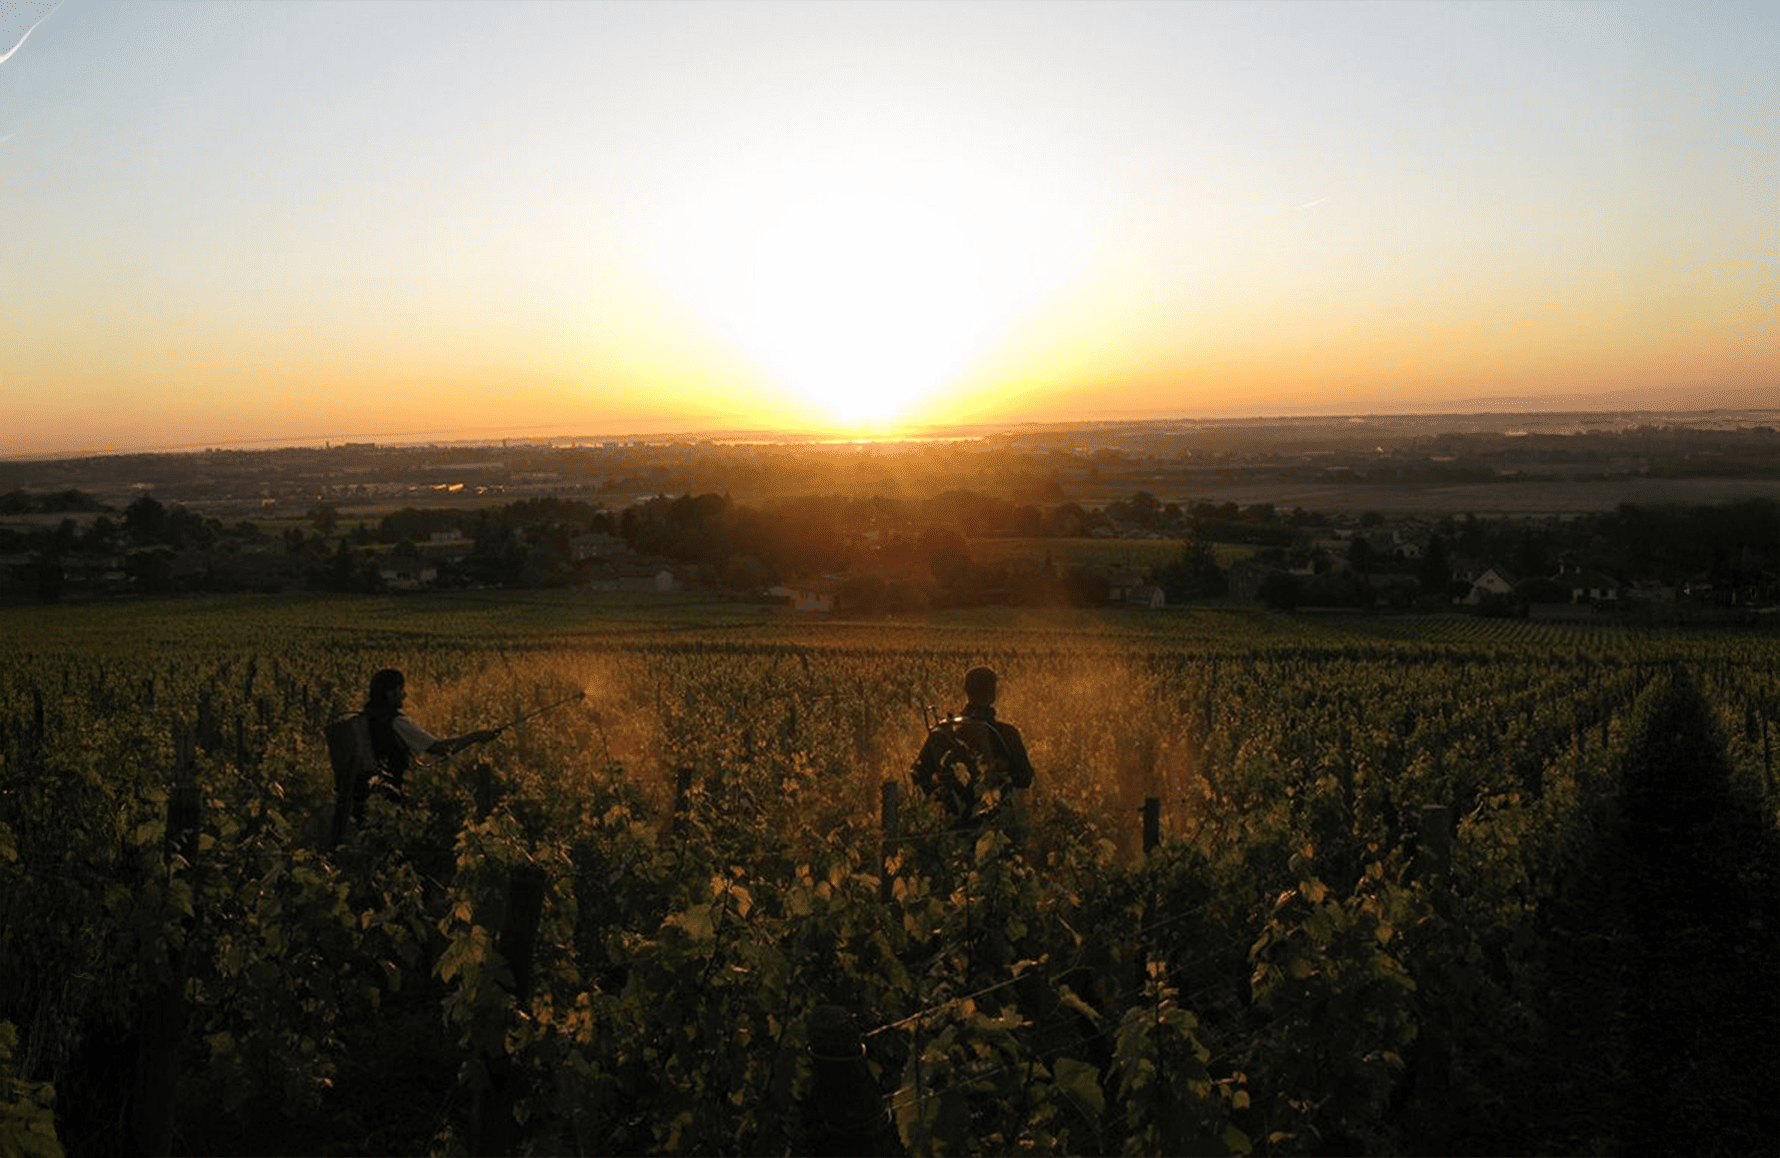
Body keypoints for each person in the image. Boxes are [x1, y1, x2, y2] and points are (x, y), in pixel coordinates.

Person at [335, 668, 500, 827]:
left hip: (364, 796)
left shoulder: (363, 718)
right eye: (401, 690)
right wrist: (476, 736)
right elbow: (439, 748)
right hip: (392, 798)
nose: (405, 695)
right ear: (389, 693)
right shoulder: (397, 721)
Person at [912, 665, 1034, 834]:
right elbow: (1025, 778)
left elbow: (918, 774)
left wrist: (941, 797)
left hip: (949, 828)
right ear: (993, 694)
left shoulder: (942, 731)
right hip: (996, 829)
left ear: (966, 690)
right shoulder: (1007, 734)